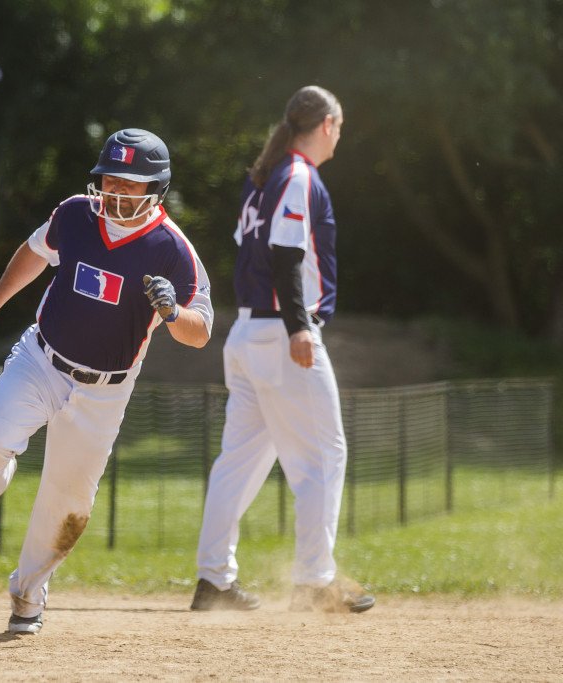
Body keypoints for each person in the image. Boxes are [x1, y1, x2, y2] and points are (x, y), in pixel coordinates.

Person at [0, 128, 213, 634]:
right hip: (41, 357)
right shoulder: (76, 212)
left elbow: (201, 332)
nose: (117, 192)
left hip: (105, 388)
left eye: (131, 184)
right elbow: (35, 251)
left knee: (68, 503)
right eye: (111, 181)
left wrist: (172, 310)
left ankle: (28, 597)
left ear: (155, 189)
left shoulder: (173, 249)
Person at [190, 85, 375, 614]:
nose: (340, 135)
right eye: (339, 125)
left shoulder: (265, 181)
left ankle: (213, 581)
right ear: (326, 125)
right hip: (281, 334)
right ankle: (315, 581)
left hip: (249, 334)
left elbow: (248, 257)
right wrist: (298, 327)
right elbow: (285, 254)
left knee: (239, 462)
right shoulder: (296, 176)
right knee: (325, 455)